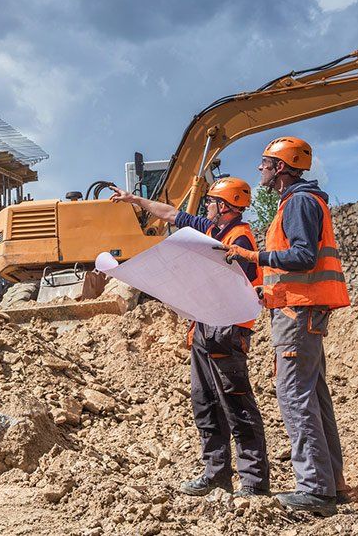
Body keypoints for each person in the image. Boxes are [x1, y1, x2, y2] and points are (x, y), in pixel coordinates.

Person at [110, 177, 270, 498]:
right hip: (203, 326)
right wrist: (135, 200)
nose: (206, 205)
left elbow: (241, 284)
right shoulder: (208, 230)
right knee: (205, 402)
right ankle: (216, 475)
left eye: (211, 201)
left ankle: (253, 483)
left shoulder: (242, 238)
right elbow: (171, 214)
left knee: (236, 403)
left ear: (224, 207)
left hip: (227, 328)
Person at [217, 137, 350, 516]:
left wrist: (253, 255)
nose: (258, 169)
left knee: (294, 395)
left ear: (280, 167)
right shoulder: (300, 201)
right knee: (314, 395)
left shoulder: (299, 202)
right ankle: (330, 484)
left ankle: (315, 489)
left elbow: (303, 256)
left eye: (263, 163)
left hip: (299, 314)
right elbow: (294, 265)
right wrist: (267, 292)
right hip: (298, 309)